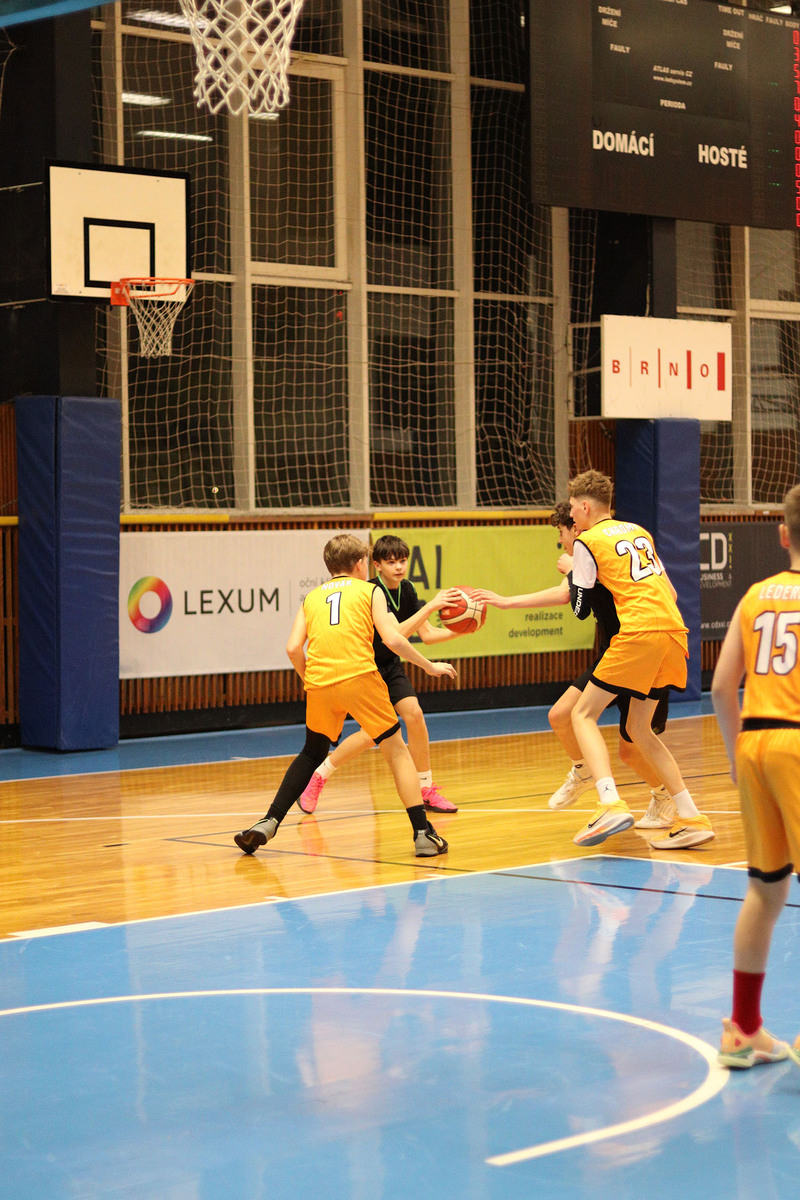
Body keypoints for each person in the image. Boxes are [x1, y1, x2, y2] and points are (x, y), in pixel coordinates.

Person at [234, 535, 457, 859]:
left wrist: (312, 682)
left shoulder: (311, 598)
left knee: (311, 752)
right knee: (396, 750)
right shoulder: (369, 590)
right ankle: (423, 834)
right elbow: (393, 639)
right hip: (360, 677)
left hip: (320, 682)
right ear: (361, 564)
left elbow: (293, 648)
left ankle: (269, 820)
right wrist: (429, 666)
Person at [472, 500, 674, 828]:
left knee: (630, 750)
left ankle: (666, 797)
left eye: (561, 534)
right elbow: (564, 593)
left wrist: (570, 570)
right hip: (614, 652)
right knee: (560, 714)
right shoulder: (591, 555)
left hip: (640, 648)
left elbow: (575, 596)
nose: (561, 542)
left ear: (576, 528)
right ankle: (583, 771)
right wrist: (507, 602)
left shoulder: (599, 550)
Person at [565, 469, 714, 850]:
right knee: (640, 730)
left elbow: (580, 610)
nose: (571, 514)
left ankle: (609, 802)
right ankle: (692, 817)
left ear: (586, 506)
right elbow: (671, 594)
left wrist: (573, 574)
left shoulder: (587, 541)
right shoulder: (638, 531)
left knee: (581, 714)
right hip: (673, 630)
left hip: (639, 630)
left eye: (573, 507)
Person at [712, 484, 800, 1069]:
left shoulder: (755, 595)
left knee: (765, 889)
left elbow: (722, 687)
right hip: (797, 741)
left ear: (783, 533)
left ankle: (743, 1030)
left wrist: (732, 753)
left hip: (754, 742)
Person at [298, 535, 464, 815]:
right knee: (370, 735)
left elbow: (426, 634)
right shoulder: (371, 590)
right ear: (376, 565)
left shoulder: (407, 589)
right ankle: (320, 774)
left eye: (402, 561)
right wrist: (431, 607)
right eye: (391, 562)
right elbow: (395, 635)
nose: (399, 567)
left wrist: (461, 630)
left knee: (415, 714)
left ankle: (426, 789)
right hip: (365, 668)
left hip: (390, 666)